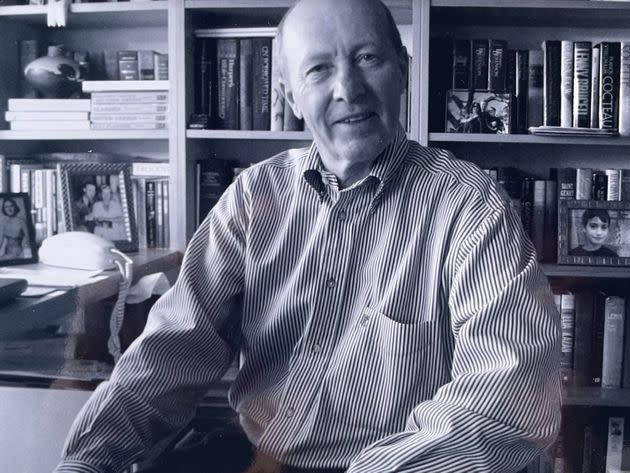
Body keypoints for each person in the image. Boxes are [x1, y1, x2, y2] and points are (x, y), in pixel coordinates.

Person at [55, 1, 561, 472]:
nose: (348, 88)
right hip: (252, 457)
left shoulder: (470, 205)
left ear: (403, 69)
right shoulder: (253, 197)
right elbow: (171, 354)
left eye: (367, 58)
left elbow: (507, 398)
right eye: (318, 69)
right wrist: (84, 462)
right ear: (289, 95)